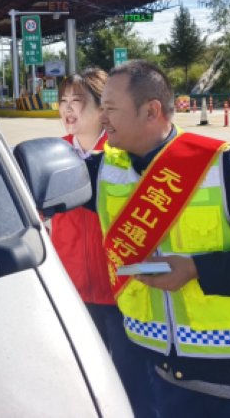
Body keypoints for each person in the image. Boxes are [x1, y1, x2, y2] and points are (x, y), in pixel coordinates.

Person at [86, 60, 230, 417]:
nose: (102, 117)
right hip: (166, 377)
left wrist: (196, 269)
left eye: (110, 108)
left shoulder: (221, 166)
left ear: (151, 111)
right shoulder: (107, 171)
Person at [49, 66, 158, 418]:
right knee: (82, 379)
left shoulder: (123, 155)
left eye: (77, 101)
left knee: (132, 382)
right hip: (72, 290)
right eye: (63, 100)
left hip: (121, 290)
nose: (67, 108)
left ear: (102, 109)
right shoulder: (51, 155)